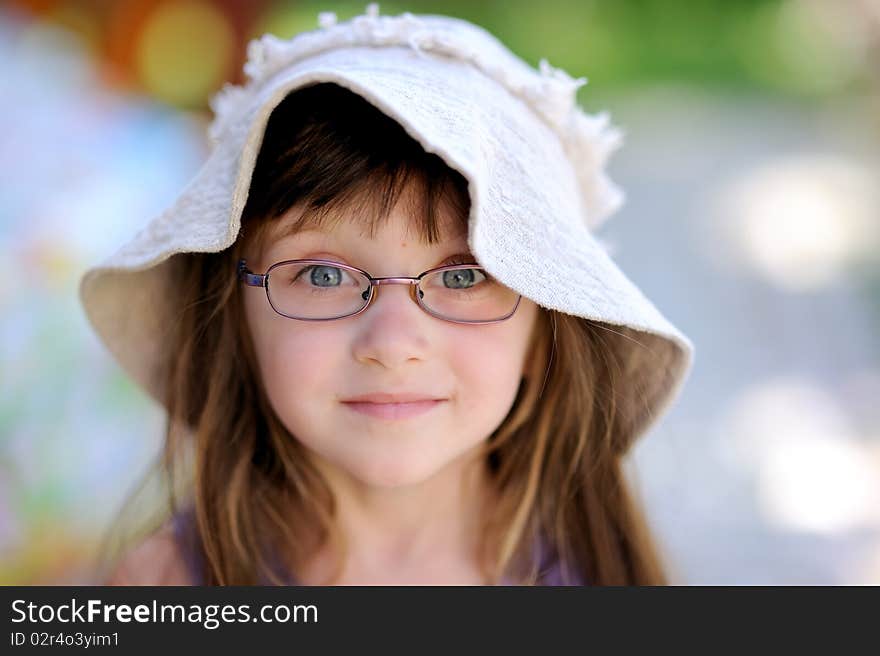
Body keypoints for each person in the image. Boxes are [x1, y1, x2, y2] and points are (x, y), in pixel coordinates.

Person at [82, 4, 694, 586]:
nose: (394, 345)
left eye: (462, 275)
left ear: (544, 329)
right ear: (236, 318)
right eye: (323, 275)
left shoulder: (597, 571)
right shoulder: (167, 584)